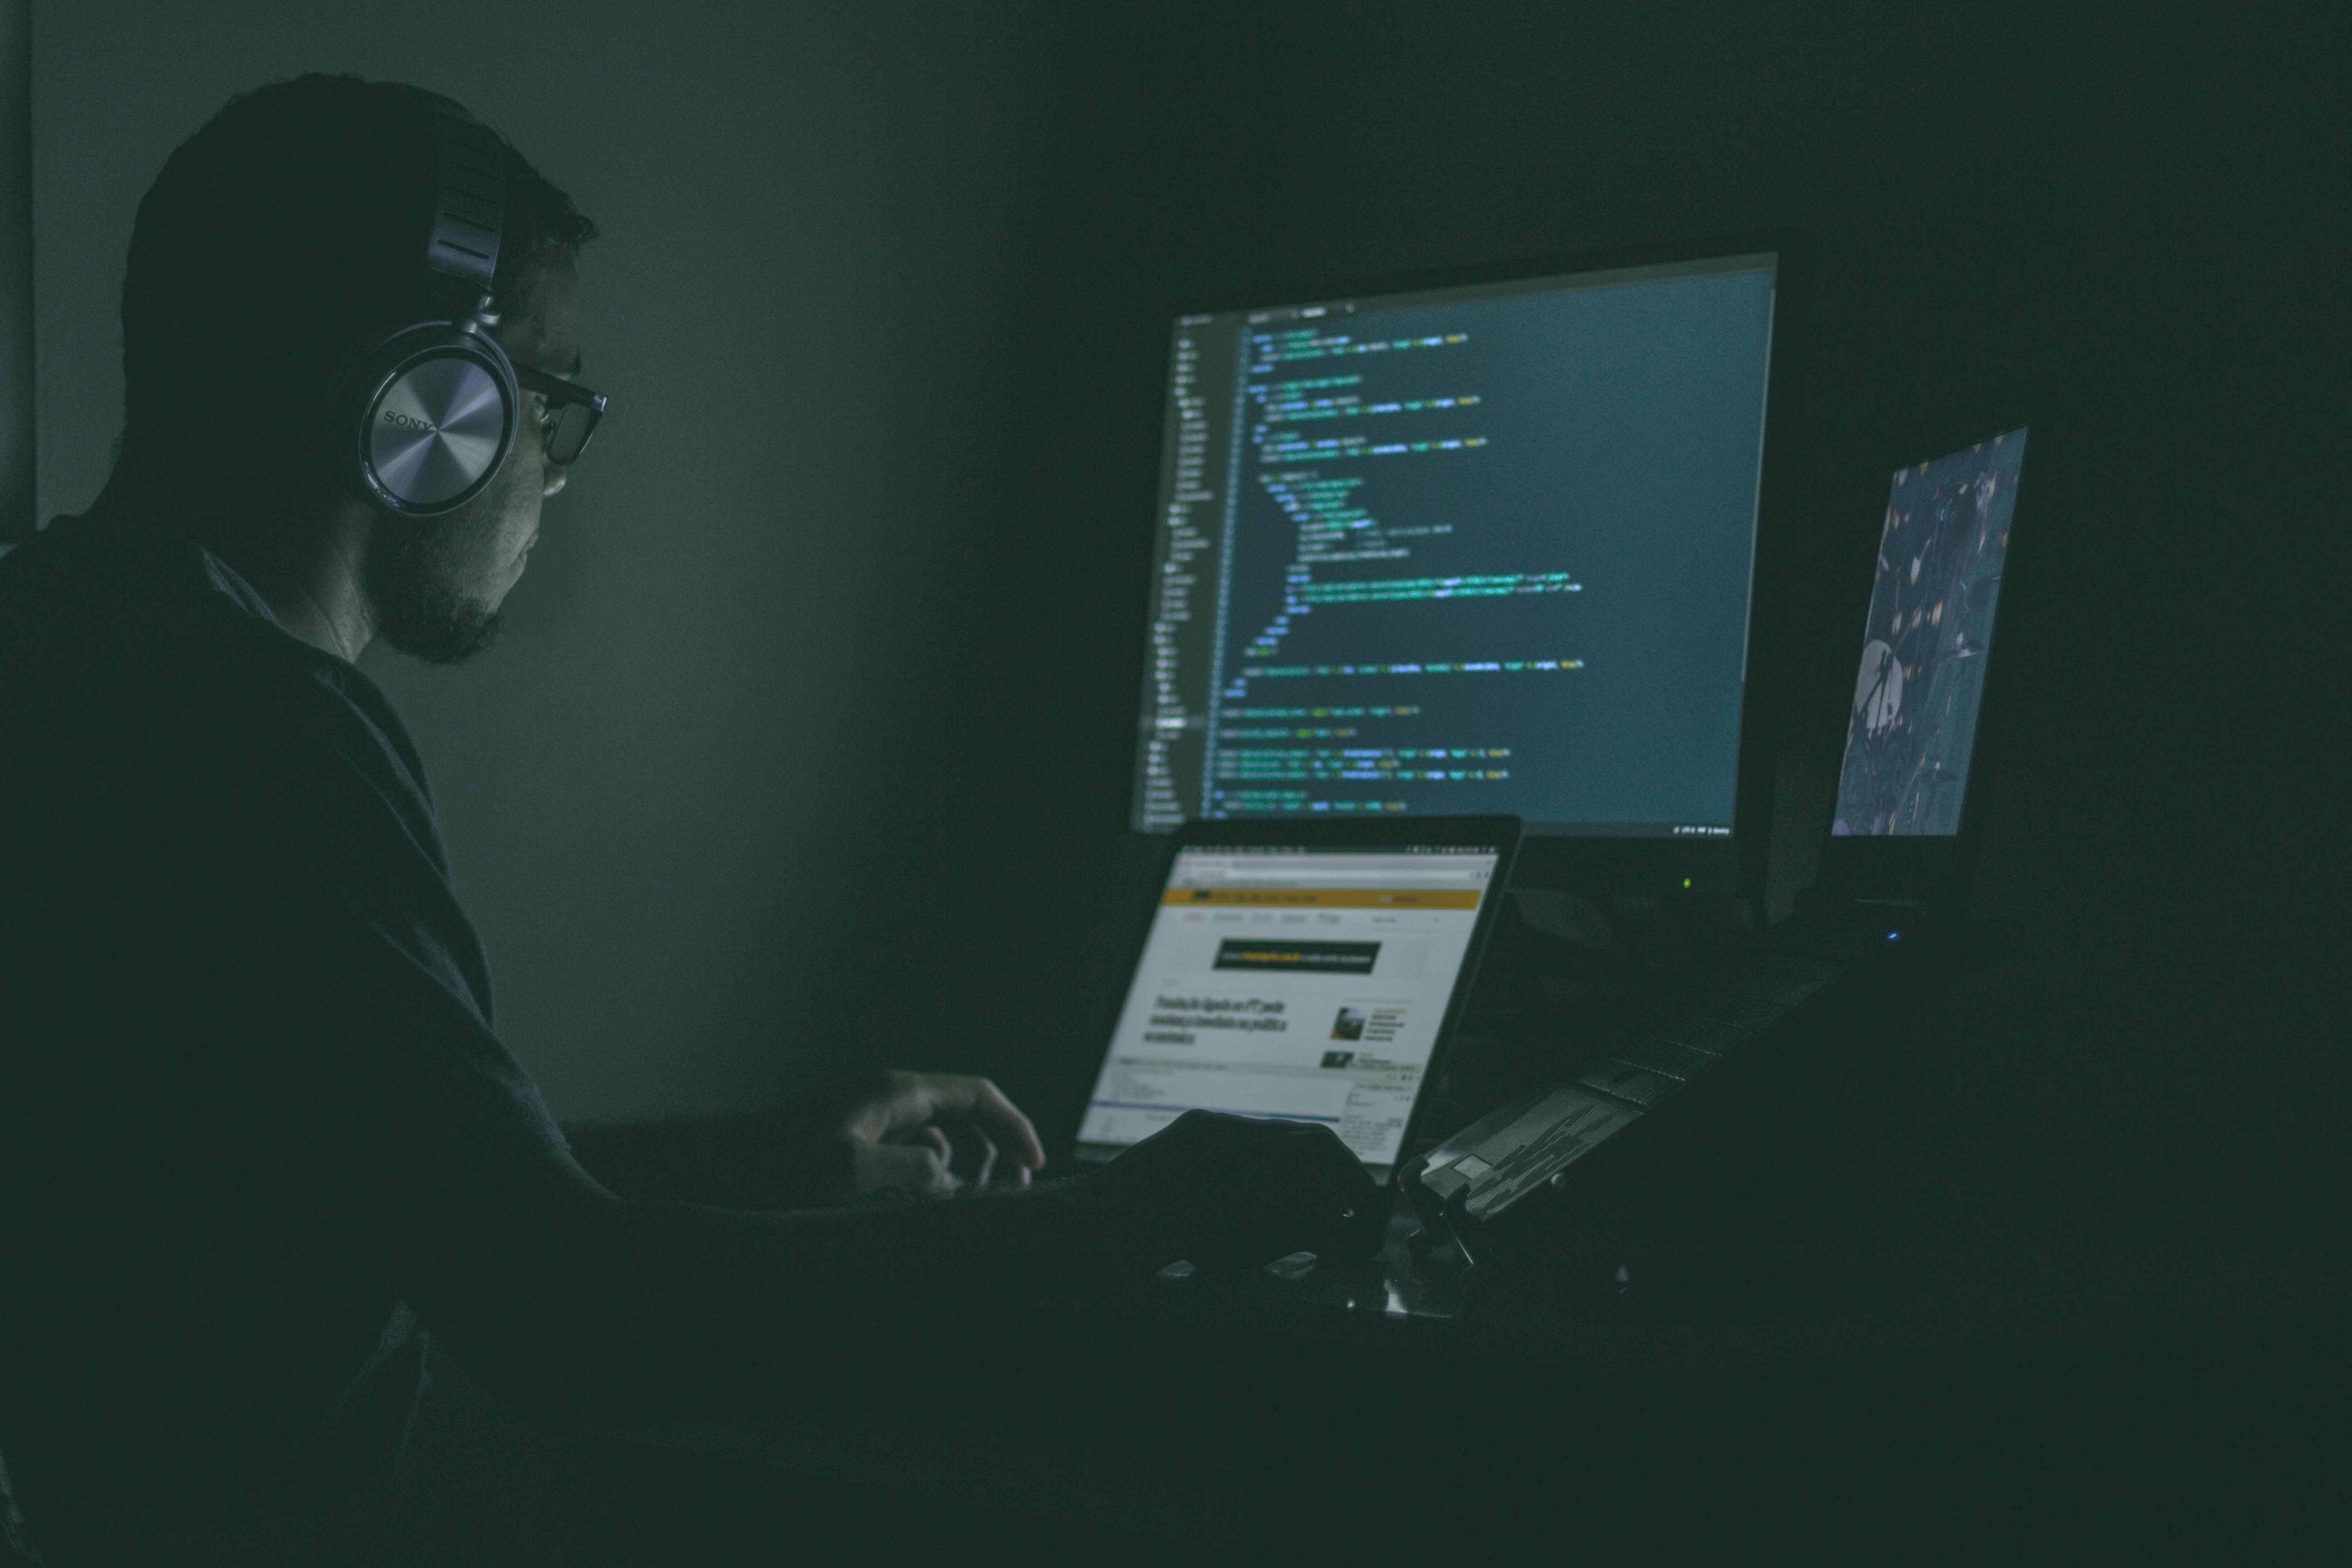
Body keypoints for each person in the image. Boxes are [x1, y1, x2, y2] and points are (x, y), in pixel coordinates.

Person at [0, 76, 1378, 1568]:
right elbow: (568, 1322)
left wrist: (738, 1159)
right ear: (424, 410)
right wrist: (1120, 1220)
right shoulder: (255, 725)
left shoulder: (62, 637)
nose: (549, 472)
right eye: (551, 398)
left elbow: (354, 1182)